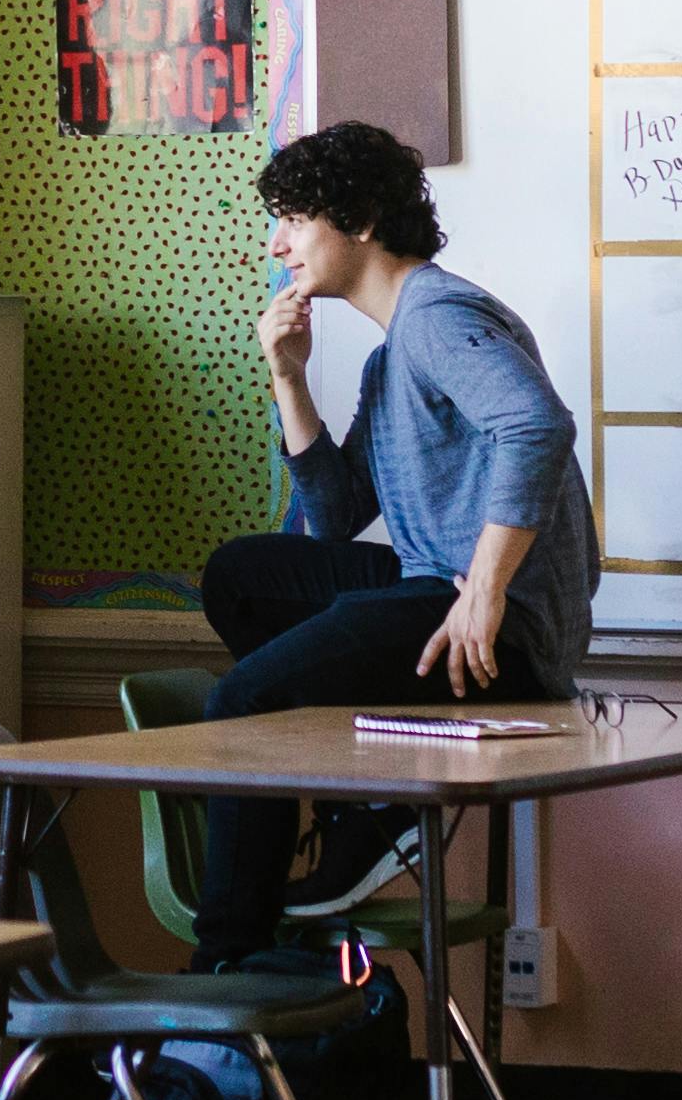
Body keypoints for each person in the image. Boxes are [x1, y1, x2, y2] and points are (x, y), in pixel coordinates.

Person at [190, 118, 593, 968]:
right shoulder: (391, 356)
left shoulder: (438, 316)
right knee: (241, 577)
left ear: (361, 219)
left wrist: (482, 592)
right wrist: (289, 376)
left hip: (494, 631)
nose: (277, 244)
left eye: (295, 219)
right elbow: (335, 516)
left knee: (239, 704)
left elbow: (537, 426)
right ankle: (364, 808)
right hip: (431, 582)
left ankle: (229, 961)